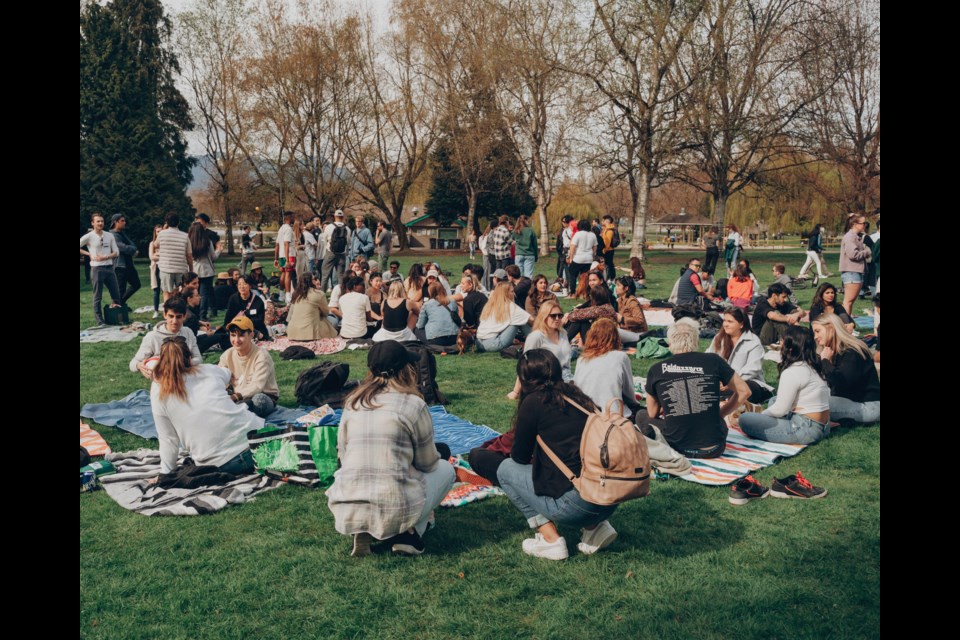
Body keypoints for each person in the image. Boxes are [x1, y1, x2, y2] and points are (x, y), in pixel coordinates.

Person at [326, 341, 456, 556]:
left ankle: (364, 527)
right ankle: (409, 534)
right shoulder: (413, 405)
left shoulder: (352, 403)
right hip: (393, 501)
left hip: (348, 500)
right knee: (445, 469)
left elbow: (343, 455)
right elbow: (427, 463)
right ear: (406, 370)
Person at [496, 349, 619, 560]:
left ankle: (550, 540)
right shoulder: (578, 396)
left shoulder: (534, 402)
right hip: (609, 497)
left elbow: (519, 458)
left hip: (574, 505)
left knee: (506, 470)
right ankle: (595, 527)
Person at [151, 337, 260, 478]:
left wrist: (165, 474)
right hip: (257, 442)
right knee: (256, 404)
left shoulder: (158, 391)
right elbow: (228, 373)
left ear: (161, 361)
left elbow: (168, 440)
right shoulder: (208, 370)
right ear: (190, 359)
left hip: (221, 463)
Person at [643, 319, 751, 458]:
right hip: (715, 447)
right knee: (715, 422)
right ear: (696, 341)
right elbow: (745, 391)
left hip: (678, 447)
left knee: (642, 416)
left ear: (670, 344)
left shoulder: (657, 369)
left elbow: (652, 413)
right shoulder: (713, 360)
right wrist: (721, 414)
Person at [738, 326, 831, 445]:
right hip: (823, 426)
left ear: (790, 349)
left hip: (804, 429)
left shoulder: (793, 371)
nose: (780, 346)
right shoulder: (813, 366)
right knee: (773, 400)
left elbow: (780, 410)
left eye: (782, 342)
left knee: (745, 419)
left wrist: (761, 416)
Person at [812, 313, 880, 424]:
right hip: (852, 402)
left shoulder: (852, 351)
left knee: (814, 404)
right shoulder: (835, 350)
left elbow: (842, 383)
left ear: (831, 328)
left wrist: (825, 362)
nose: (815, 337)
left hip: (869, 406)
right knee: (808, 400)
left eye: (817, 331)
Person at [573, 318, 641, 417]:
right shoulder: (620, 357)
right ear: (615, 337)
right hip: (613, 415)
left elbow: (577, 388)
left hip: (586, 414)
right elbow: (629, 394)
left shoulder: (582, 359)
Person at [706, 307, 773, 403]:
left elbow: (752, 369)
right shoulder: (719, 338)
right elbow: (709, 359)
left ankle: (719, 399)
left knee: (744, 389)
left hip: (747, 382)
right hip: (722, 383)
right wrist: (716, 380)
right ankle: (720, 399)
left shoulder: (753, 341)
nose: (725, 324)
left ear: (741, 324)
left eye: (730, 321)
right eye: (724, 320)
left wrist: (730, 382)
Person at [218, 316, 280, 418]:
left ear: (251, 335)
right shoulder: (227, 355)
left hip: (262, 395)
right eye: (233, 335)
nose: (236, 340)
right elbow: (218, 379)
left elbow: (257, 387)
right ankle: (238, 410)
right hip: (237, 396)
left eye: (241, 335)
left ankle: (237, 411)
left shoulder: (261, 356)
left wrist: (234, 397)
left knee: (259, 402)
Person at [130, 295, 203, 378]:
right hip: (162, 382)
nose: (174, 321)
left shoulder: (188, 332)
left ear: (184, 316)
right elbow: (133, 363)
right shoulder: (152, 336)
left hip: (186, 378)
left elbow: (199, 358)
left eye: (178, 317)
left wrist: (185, 363)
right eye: (171, 316)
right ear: (165, 315)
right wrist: (139, 365)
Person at [79, 213, 122, 326]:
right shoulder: (89, 236)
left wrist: (106, 257)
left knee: (116, 294)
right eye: (98, 221)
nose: (100, 223)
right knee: (97, 296)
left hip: (109, 268)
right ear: (93, 223)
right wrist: (89, 254)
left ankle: (116, 317)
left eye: (102, 221)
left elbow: (116, 252)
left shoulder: (109, 235)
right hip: (97, 269)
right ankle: (100, 321)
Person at [476, 282, 533, 352]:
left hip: (479, 344)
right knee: (521, 320)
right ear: (506, 293)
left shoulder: (490, 304)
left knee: (520, 319)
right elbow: (532, 320)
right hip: (493, 344)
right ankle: (535, 340)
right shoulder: (510, 306)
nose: (514, 294)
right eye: (512, 291)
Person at [286, 273, 338, 340]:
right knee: (334, 321)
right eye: (314, 279)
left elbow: (289, 316)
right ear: (311, 281)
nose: (316, 281)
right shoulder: (319, 294)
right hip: (310, 333)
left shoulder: (295, 294)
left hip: (292, 332)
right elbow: (326, 313)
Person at [189, 221, 222, 321]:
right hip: (207, 271)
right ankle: (202, 316)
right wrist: (219, 250)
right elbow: (213, 256)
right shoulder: (207, 242)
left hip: (193, 270)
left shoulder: (189, 242)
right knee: (204, 295)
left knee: (194, 293)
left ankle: (195, 313)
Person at [156, 213, 193, 302]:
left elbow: (156, 245)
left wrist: (164, 230)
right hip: (181, 268)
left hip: (166, 268)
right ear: (178, 222)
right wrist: (191, 269)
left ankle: (168, 313)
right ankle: (181, 312)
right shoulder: (185, 236)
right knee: (182, 293)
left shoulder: (161, 234)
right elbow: (189, 255)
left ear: (166, 222)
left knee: (166, 293)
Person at [414, 281, 461, 348]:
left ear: (430, 292)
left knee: (416, 330)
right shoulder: (452, 302)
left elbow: (420, 325)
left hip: (436, 340)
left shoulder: (427, 304)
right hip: (454, 338)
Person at [840, 215, 870, 316]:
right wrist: (866, 252)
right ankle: (844, 327)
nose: (865, 225)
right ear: (854, 224)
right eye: (863, 223)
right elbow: (853, 255)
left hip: (855, 272)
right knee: (848, 302)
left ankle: (847, 326)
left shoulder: (855, 236)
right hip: (852, 272)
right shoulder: (850, 237)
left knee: (850, 302)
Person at [224, 275, 270, 341]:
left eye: (245, 284)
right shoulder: (233, 299)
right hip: (236, 327)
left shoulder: (257, 300)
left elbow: (260, 320)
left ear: (250, 286)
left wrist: (245, 321)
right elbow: (228, 318)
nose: (242, 287)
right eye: (239, 284)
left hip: (253, 328)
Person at [110, 214, 140, 306]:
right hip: (120, 266)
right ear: (116, 222)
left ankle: (121, 303)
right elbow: (123, 248)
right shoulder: (112, 235)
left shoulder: (122, 233)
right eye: (122, 221)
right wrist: (132, 250)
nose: (124, 222)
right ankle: (118, 311)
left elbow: (132, 245)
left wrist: (132, 249)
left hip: (129, 265)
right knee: (120, 290)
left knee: (136, 284)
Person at [320, 210, 351, 292]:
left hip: (330, 253)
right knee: (340, 275)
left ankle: (322, 293)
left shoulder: (329, 227)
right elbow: (348, 242)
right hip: (342, 254)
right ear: (343, 217)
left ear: (334, 216)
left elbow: (325, 240)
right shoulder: (347, 228)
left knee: (325, 275)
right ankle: (341, 293)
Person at [567, 218, 597, 294]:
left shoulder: (578, 234)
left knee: (572, 274)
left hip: (578, 258)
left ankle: (573, 292)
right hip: (588, 259)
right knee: (585, 277)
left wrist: (571, 258)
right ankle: (585, 292)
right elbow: (594, 247)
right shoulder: (593, 235)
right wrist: (592, 256)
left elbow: (572, 246)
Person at [275, 211, 296, 303]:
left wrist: (276, 258)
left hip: (281, 255)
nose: (294, 219)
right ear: (289, 217)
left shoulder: (281, 228)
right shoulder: (288, 229)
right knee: (288, 274)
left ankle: (281, 295)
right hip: (288, 255)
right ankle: (288, 296)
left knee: (283, 274)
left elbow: (277, 244)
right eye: (293, 217)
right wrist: (288, 260)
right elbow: (286, 243)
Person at [512, 214, 539, 279]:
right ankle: (528, 287)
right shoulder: (531, 230)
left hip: (519, 254)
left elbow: (512, 238)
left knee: (519, 275)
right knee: (528, 274)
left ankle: (520, 287)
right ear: (526, 221)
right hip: (529, 254)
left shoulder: (515, 231)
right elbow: (535, 244)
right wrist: (536, 256)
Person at [148, 224, 163, 318]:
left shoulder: (166, 243)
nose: (159, 233)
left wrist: (158, 254)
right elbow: (152, 257)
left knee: (166, 289)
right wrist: (161, 255)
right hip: (156, 268)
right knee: (156, 290)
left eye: (161, 231)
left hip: (165, 267)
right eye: (158, 231)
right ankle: (156, 310)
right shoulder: (152, 243)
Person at [599, 215, 617, 282]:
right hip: (607, 250)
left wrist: (604, 250)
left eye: (603, 220)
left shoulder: (609, 230)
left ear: (606, 221)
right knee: (608, 264)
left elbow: (607, 243)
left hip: (608, 251)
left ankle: (611, 278)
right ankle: (609, 278)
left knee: (609, 265)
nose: (601, 221)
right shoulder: (606, 229)